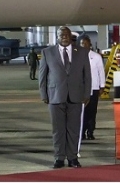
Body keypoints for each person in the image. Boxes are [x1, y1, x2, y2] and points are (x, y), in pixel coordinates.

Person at [39, 26, 91, 169]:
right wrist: (44, 94)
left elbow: (87, 75)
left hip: (76, 96)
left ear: (71, 36)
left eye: (67, 34)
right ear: (57, 37)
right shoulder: (47, 53)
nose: (64, 37)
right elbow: (42, 76)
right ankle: (59, 158)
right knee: (58, 130)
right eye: (61, 35)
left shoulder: (81, 52)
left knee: (73, 130)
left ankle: (73, 158)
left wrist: (87, 94)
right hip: (55, 97)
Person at [80, 36, 105, 141]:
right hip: (81, 89)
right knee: (82, 112)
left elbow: (101, 72)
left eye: (86, 43)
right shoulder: (77, 57)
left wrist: (102, 86)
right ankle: (82, 132)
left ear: (90, 44)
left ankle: (90, 131)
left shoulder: (96, 57)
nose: (84, 45)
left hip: (94, 88)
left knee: (92, 111)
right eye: (82, 43)